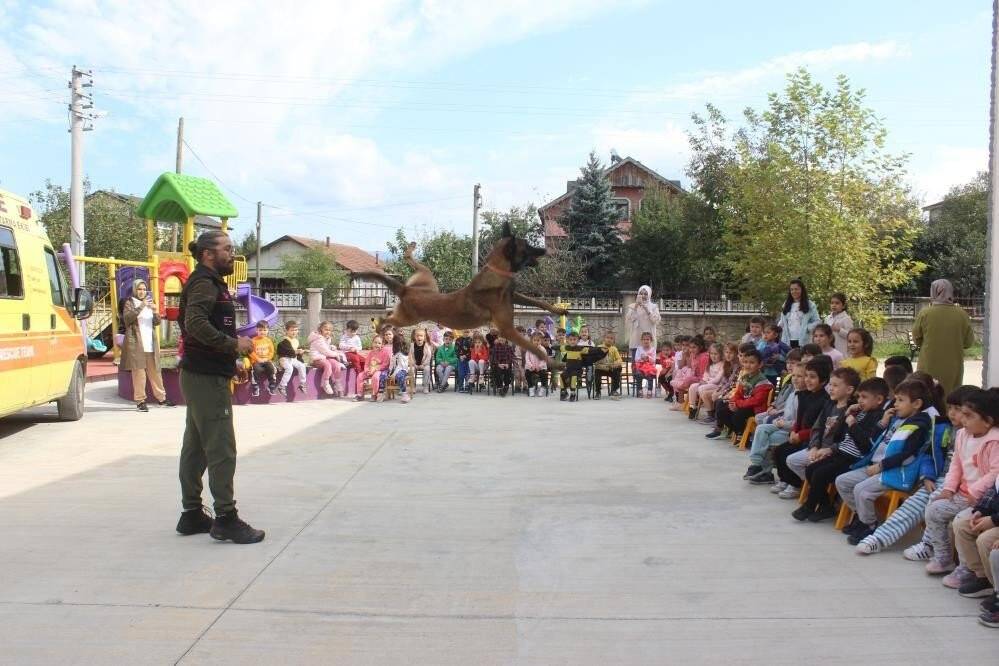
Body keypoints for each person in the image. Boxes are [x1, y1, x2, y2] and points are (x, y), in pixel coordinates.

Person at [176, 231, 263, 544]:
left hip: (202, 372)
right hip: (206, 376)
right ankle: (225, 518)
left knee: (197, 445)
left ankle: (191, 514)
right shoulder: (203, 283)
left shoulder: (209, 282)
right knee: (221, 447)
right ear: (207, 254)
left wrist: (229, 350)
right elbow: (195, 324)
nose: (233, 253)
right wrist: (232, 344)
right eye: (227, 249)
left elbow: (195, 323)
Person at [855, 385, 974, 556]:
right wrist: (927, 476)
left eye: (958, 409)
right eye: (950, 408)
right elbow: (928, 455)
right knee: (914, 504)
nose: (952, 413)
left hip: (959, 485)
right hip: (937, 479)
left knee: (934, 502)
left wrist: (948, 484)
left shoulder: (973, 435)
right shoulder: (943, 427)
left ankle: (929, 545)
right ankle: (879, 538)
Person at [835, 379, 934, 545]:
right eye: (895, 399)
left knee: (862, 490)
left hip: (894, 471)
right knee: (842, 481)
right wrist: (883, 423)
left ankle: (870, 524)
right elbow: (872, 441)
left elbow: (907, 455)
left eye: (901, 400)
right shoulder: (896, 419)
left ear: (917, 404)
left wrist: (881, 466)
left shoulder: (919, 425)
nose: (896, 404)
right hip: (874, 465)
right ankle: (862, 516)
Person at [923, 387, 999, 577]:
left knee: (961, 522)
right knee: (934, 507)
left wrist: (975, 492)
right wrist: (949, 488)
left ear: (988, 421)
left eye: (968, 415)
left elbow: (995, 473)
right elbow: (956, 463)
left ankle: (967, 568)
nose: (962, 419)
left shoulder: (994, 441)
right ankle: (943, 557)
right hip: (962, 493)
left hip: (981, 498)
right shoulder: (963, 434)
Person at [769, 356, 833, 497]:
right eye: (807, 376)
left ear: (823, 381)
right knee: (780, 450)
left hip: (812, 439)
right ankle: (785, 479)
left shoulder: (824, 400)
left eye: (812, 377)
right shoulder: (804, 395)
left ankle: (796, 484)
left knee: (788, 454)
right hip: (799, 436)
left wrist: (800, 435)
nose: (807, 380)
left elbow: (819, 427)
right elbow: (799, 418)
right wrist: (794, 432)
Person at [912, 278, 976, 394]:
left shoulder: (925, 313)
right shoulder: (962, 314)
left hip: (928, 364)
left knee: (928, 394)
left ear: (934, 291)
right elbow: (968, 343)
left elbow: (917, 339)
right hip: (954, 365)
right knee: (950, 396)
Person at [745, 363, 805, 483]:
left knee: (766, 437)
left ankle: (763, 470)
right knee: (761, 428)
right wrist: (778, 415)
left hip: (790, 430)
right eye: (793, 375)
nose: (795, 378)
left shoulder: (804, 398)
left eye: (800, 376)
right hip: (782, 424)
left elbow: (800, 422)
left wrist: (783, 424)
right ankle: (757, 464)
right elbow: (785, 408)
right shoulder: (793, 393)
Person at [120, 278, 172, 412]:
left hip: (150, 342)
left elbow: (157, 322)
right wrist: (142, 305)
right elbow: (127, 318)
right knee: (139, 373)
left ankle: (162, 398)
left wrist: (155, 311)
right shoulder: (130, 303)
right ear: (135, 290)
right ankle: (140, 401)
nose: (142, 291)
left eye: (144, 289)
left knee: (155, 372)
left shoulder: (150, 302)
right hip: (136, 342)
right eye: (139, 289)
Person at [705, 348, 772, 440]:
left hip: (755, 408)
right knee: (722, 412)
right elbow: (738, 393)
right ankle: (739, 432)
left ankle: (745, 436)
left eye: (752, 363)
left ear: (760, 364)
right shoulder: (744, 377)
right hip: (743, 404)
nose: (748, 365)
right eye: (745, 362)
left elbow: (756, 400)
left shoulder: (763, 381)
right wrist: (733, 403)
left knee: (738, 415)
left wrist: (738, 404)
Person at [698, 343, 740, 425]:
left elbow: (732, 384)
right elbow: (724, 381)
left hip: (732, 390)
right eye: (726, 352)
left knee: (717, 397)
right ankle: (711, 416)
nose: (728, 355)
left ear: (736, 354)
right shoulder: (727, 365)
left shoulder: (737, 366)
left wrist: (721, 392)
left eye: (731, 353)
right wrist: (718, 390)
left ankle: (719, 421)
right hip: (725, 388)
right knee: (706, 394)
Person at [687, 343, 726, 421]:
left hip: (717, 385)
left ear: (721, 354)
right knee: (693, 386)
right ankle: (692, 407)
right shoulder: (710, 365)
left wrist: (706, 382)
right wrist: (704, 380)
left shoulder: (723, 364)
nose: (713, 356)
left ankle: (710, 412)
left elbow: (717, 379)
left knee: (701, 388)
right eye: (711, 354)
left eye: (716, 354)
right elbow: (705, 375)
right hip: (707, 383)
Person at [777, 278, 820, 348]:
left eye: (796, 289)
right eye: (792, 289)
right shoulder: (785, 304)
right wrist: (776, 329)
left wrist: (807, 328)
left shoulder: (810, 305)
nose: (794, 291)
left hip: (804, 341)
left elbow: (817, 321)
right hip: (787, 341)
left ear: (802, 290)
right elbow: (782, 321)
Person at [308, 321, 345, 396]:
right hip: (316, 359)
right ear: (321, 329)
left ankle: (337, 382)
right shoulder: (318, 338)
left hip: (324, 357)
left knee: (336, 365)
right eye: (326, 329)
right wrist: (336, 354)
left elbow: (326, 348)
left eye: (329, 330)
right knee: (328, 365)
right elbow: (325, 351)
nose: (328, 332)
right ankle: (325, 383)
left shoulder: (326, 338)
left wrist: (332, 347)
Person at [671, 336, 709, 408]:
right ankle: (681, 402)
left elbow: (703, 374)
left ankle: (682, 400)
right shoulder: (693, 354)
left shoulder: (704, 357)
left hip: (702, 378)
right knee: (681, 377)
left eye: (694, 347)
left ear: (700, 347)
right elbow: (684, 366)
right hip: (695, 376)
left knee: (686, 380)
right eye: (690, 347)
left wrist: (692, 378)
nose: (691, 349)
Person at [626, 285, 661, 358]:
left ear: (649, 295)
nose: (643, 296)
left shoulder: (653, 307)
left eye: (645, 294)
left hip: (648, 338)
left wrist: (647, 309)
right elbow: (630, 319)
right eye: (641, 293)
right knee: (635, 364)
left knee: (649, 364)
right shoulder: (632, 306)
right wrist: (635, 307)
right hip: (636, 337)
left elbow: (656, 320)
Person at [275, 320, 308, 396]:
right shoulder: (284, 342)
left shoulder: (296, 341)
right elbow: (288, 351)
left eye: (296, 330)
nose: (294, 332)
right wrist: (296, 352)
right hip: (284, 359)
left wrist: (300, 355)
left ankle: (302, 384)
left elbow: (296, 355)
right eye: (292, 330)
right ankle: (282, 386)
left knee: (302, 366)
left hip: (292, 359)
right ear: (287, 331)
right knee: (289, 368)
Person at [248, 320, 277, 397]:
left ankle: (272, 385)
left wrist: (267, 359)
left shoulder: (268, 341)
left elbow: (272, 352)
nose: (262, 332)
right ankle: (255, 386)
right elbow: (250, 352)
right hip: (256, 361)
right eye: (260, 330)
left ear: (268, 330)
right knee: (256, 369)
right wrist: (258, 359)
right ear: (256, 330)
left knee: (271, 368)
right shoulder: (253, 340)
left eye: (265, 330)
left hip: (266, 360)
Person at [355, 334, 389, 402]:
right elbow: (366, 364)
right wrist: (367, 371)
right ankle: (360, 394)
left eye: (379, 343)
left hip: (378, 370)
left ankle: (374, 394)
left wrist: (376, 369)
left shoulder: (385, 353)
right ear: (372, 343)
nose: (377, 344)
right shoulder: (371, 353)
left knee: (375, 377)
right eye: (375, 342)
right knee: (360, 376)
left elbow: (385, 364)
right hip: (369, 370)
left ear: (382, 345)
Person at [593, 331, 623, 400]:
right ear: (604, 338)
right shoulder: (599, 347)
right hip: (601, 368)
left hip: (610, 368)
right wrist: (602, 365)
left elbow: (619, 359)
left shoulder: (614, 349)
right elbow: (595, 360)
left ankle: (614, 390)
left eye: (611, 338)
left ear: (614, 340)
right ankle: (598, 392)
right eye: (607, 338)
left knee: (618, 369)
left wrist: (615, 363)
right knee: (597, 371)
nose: (609, 339)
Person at [408, 327, 435, 394]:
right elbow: (410, 356)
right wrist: (414, 364)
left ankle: (425, 386)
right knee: (411, 370)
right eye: (417, 336)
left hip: (424, 364)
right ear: (415, 337)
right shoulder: (412, 345)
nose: (419, 337)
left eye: (421, 336)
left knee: (427, 369)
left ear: (424, 337)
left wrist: (423, 364)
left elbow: (429, 357)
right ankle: (413, 387)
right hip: (415, 364)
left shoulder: (427, 346)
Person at [633, 332, 658, 398]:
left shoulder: (653, 349)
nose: (646, 341)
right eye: (644, 339)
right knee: (638, 374)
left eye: (647, 339)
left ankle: (649, 391)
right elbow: (636, 359)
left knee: (651, 374)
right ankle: (640, 390)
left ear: (651, 340)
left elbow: (653, 361)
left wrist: (648, 357)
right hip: (640, 366)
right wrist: (641, 358)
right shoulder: (639, 349)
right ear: (642, 340)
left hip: (650, 367)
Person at [524, 331, 549, 397]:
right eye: (534, 340)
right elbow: (527, 359)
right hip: (531, 367)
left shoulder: (542, 349)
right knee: (527, 373)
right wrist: (531, 366)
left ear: (541, 341)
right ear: (532, 341)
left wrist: (539, 366)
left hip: (541, 368)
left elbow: (544, 360)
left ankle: (543, 387)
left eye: (538, 340)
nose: (536, 342)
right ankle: (531, 387)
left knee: (544, 374)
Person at [388, 339, 411, 403]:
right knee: (386, 375)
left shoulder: (401, 354)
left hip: (402, 370)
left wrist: (394, 374)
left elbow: (400, 366)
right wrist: (389, 372)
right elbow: (391, 364)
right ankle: (383, 392)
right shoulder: (394, 355)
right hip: (395, 370)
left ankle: (404, 393)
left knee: (399, 376)